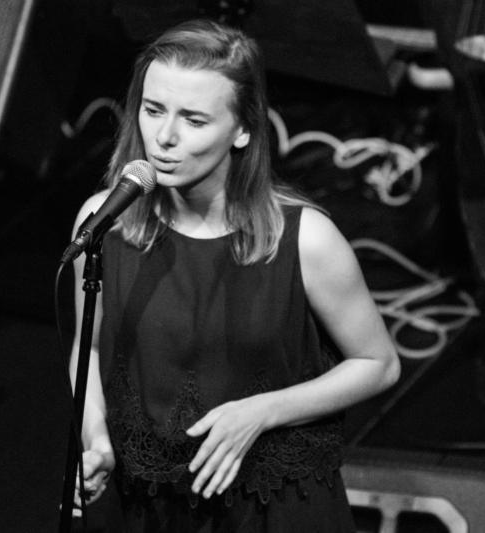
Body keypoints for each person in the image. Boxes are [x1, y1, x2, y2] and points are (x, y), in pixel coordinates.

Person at [68, 18, 400, 532]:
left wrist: (264, 411)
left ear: (243, 129)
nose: (164, 137)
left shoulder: (305, 239)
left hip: (268, 506)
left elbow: (377, 364)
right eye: (153, 110)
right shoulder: (105, 223)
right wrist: (95, 440)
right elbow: (88, 348)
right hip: (145, 502)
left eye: (194, 120)